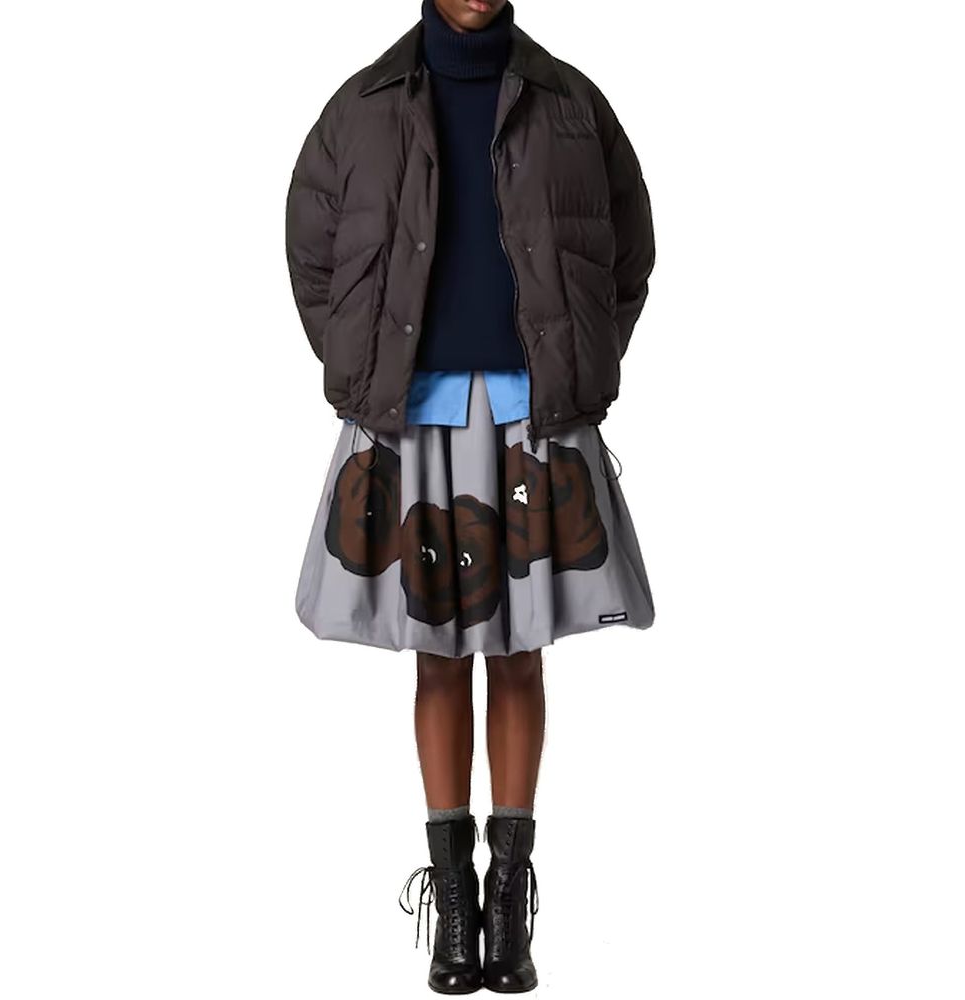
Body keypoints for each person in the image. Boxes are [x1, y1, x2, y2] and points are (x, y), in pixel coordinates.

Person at [284, 0, 655, 991]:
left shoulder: (572, 103)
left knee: (522, 655)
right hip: (415, 416)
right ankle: (454, 910)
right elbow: (313, 257)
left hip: (534, 414)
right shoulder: (361, 107)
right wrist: (365, 363)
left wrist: (579, 359)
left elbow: (627, 255)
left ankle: (509, 905)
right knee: (439, 658)